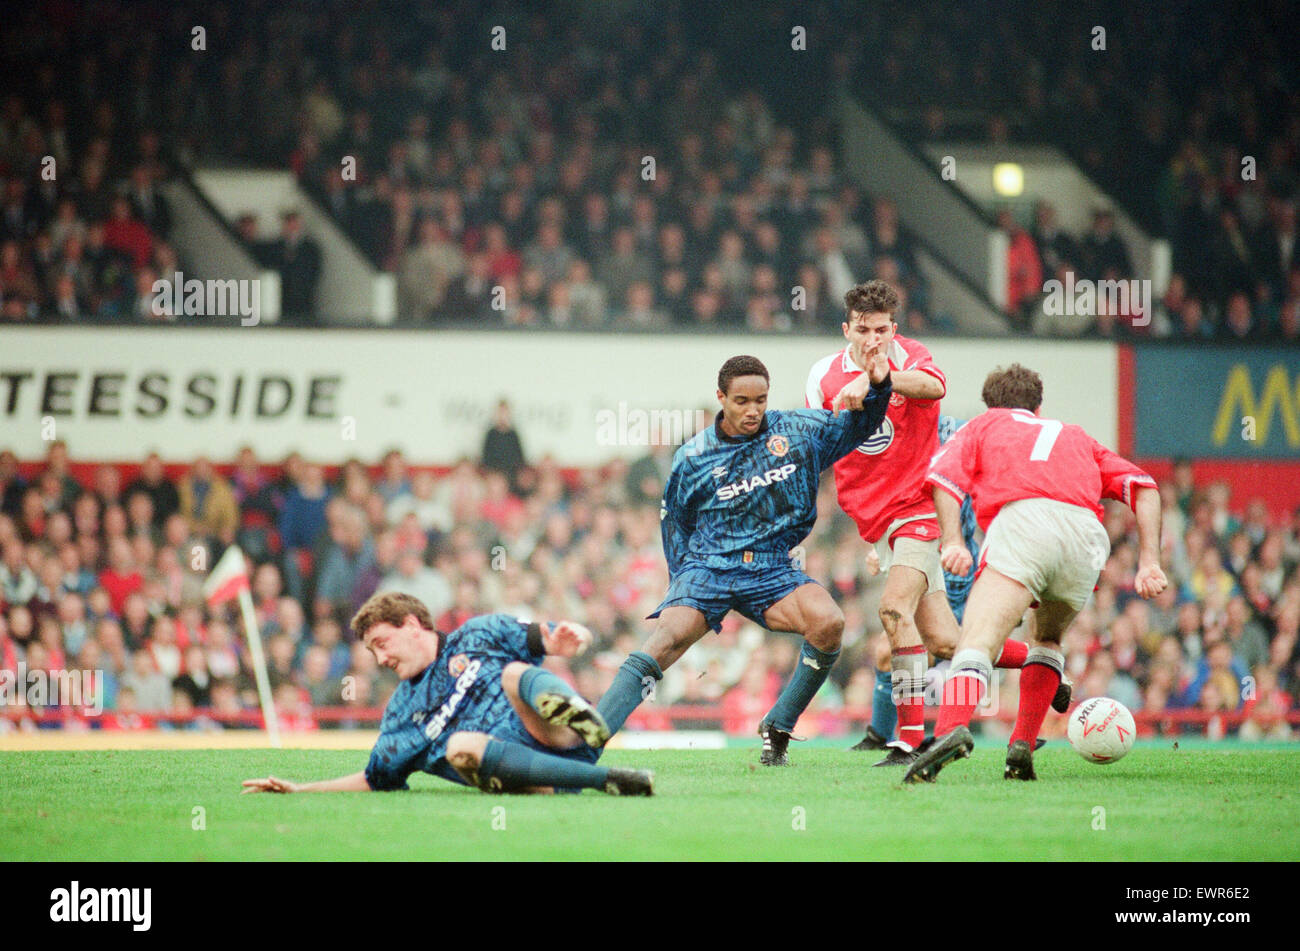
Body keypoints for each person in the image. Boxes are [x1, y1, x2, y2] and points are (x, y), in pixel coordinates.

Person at [593, 351, 893, 766]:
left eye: (760, 400)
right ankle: (588, 741)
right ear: (721, 397)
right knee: (663, 641)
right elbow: (674, 525)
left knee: (830, 623)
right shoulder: (693, 458)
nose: (753, 410)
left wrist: (879, 387)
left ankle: (778, 725)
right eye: (741, 401)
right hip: (709, 566)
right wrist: (684, 585)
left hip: (771, 567)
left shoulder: (800, 431)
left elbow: (860, 424)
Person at [808, 281, 1047, 765]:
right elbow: (824, 443)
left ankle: (910, 739)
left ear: (893, 328)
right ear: (845, 329)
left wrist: (880, 380)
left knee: (894, 611)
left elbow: (935, 387)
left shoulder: (912, 358)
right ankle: (1044, 664)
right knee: (946, 641)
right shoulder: (823, 376)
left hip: (918, 508)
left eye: (881, 329)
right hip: (876, 521)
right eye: (862, 329)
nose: (872, 339)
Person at [903, 364, 1167, 783]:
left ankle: (950, 730)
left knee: (977, 639)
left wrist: (952, 541)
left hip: (1024, 522)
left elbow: (943, 479)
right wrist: (1149, 561)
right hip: (1085, 536)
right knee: (1046, 640)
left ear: (992, 405)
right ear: (1038, 407)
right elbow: (1145, 487)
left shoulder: (983, 424)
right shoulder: (1077, 436)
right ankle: (1021, 746)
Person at [242, 592, 652, 796]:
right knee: (462, 744)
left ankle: (585, 728)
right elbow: (373, 779)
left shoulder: (478, 634)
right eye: (371, 651)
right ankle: (601, 775)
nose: (379, 658)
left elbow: (547, 638)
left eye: (383, 643)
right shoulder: (401, 714)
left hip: (550, 733)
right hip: (534, 780)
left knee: (512, 672)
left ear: (410, 624)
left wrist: (571, 637)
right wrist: (301, 789)